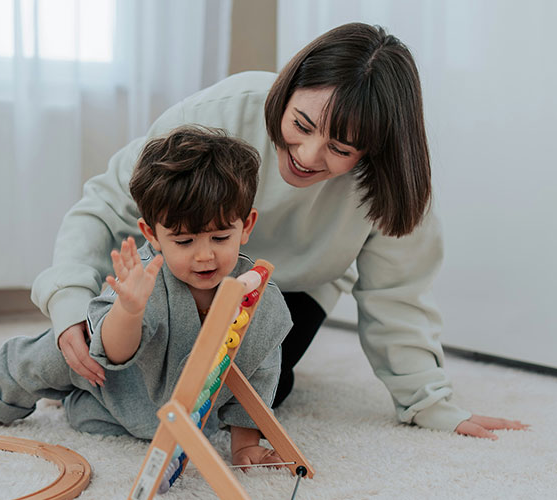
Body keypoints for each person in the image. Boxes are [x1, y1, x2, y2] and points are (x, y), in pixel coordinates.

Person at [33, 22, 528, 439]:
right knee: (132, 348)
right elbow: (106, 204)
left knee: (256, 392)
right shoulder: (224, 110)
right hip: (177, 272)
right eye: (303, 123)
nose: (309, 156)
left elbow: (398, 295)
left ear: (373, 151)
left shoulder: (391, 185)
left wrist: (428, 401)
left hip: (285, 288)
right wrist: (70, 301)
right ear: (287, 88)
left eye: (341, 148)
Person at [0, 126, 293, 466]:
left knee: (84, 415)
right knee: (52, 353)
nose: (204, 256)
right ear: (152, 234)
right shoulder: (145, 276)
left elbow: (256, 374)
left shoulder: (258, 295)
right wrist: (130, 309)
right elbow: (114, 353)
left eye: (220, 238)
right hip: (112, 378)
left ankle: (70, 400)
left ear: (245, 226)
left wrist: (245, 446)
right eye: (184, 242)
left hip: (159, 416)